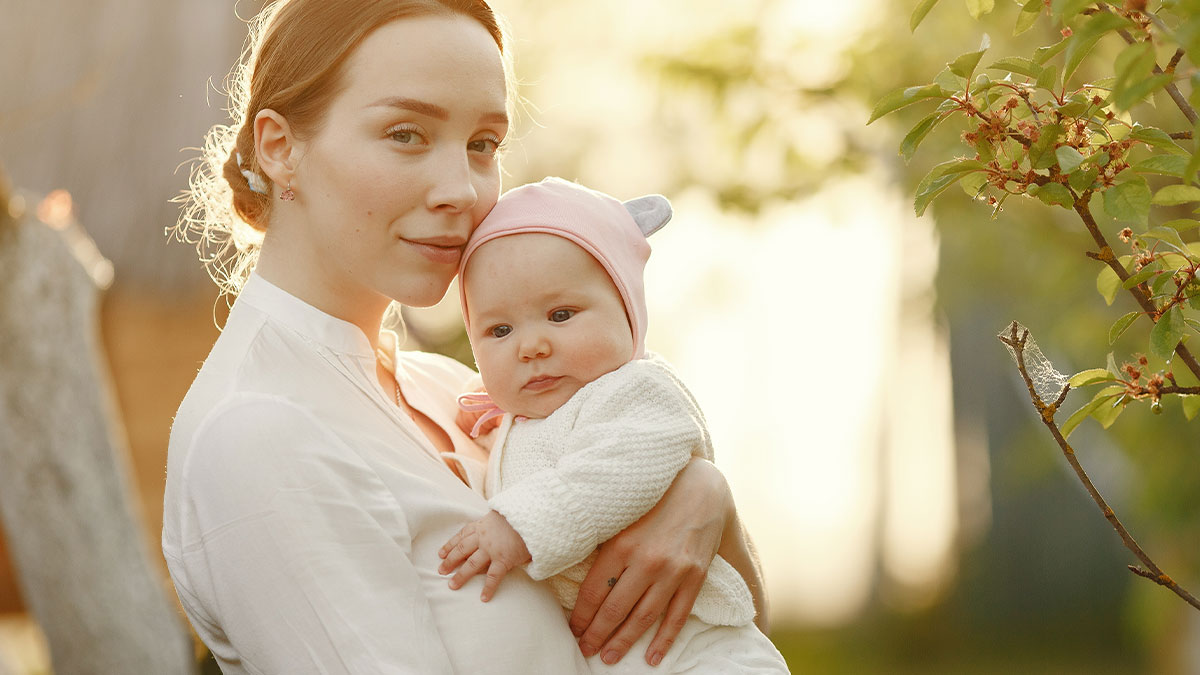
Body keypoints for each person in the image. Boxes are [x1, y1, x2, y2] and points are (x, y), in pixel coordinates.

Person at [162, 1, 767, 672]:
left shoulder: (466, 391)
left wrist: (705, 498)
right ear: (280, 148)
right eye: (406, 134)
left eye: (483, 144)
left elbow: (718, 636)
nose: (462, 190)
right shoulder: (258, 434)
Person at [437, 178, 788, 673]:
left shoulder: (638, 392)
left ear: (628, 311)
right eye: (500, 330)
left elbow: (613, 471)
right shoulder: (527, 414)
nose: (530, 346)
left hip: (700, 649)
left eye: (561, 314)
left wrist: (519, 526)